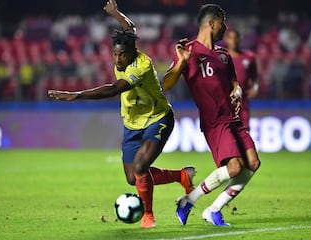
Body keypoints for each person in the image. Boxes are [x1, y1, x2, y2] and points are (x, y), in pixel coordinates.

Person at [48, 0, 195, 228]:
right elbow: (130, 29)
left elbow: (115, 89)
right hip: (132, 123)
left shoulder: (141, 65)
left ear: (132, 53)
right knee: (132, 178)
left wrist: (76, 95)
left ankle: (148, 215)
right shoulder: (126, 50)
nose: (118, 60)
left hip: (158, 118)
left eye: (122, 55)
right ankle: (181, 176)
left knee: (140, 167)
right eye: (115, 55)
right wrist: (116, 13)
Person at [163, 4, 261, 226]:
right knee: (235, 167)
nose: (225, 28)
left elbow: (235, 84)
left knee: (253, 163)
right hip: (215, 121)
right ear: (212, 23)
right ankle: (190, 200)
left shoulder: (224, 55)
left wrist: (237, 91)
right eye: (223, 22)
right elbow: (167, 84)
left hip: (233, 118)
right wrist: (183, 63)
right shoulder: (188, 50)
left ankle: (212, 210)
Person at [223, 29, 259, 128]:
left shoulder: (249, 57)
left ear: (239, 40)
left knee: (244, 132)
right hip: (225, 102)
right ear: (226, 40)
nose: (233, 41)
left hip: (243, 103)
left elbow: (255, 77)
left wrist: (255, 89)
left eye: (235, 38)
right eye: (230, 38)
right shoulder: (220, 57)